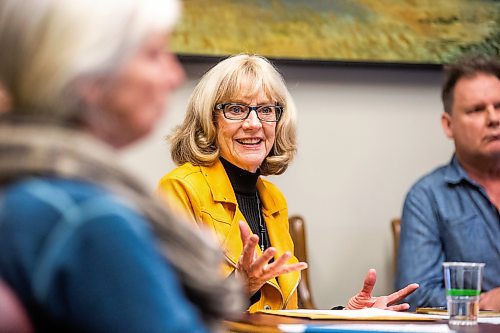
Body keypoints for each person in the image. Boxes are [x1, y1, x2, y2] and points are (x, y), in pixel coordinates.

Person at [0, 0, 244, 332]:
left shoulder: (29, 186)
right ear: (89, 74)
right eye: (154, 54)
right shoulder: (89, 219)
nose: (174, 76)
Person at [158, 54, 418, 312]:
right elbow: (167, 309)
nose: (253, 123)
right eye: (236, 109)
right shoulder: (181, 189)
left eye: (266, 110)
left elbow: (283, 315)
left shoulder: (272, 198)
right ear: (209, 120)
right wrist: (238, 286)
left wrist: (347, 317)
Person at [396, 54, 500, 311]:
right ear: (448, 125)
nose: (493, 119)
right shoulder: (427, 197)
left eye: (499, 106)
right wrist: (485, 302)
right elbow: (415, 295)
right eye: (477, 110)